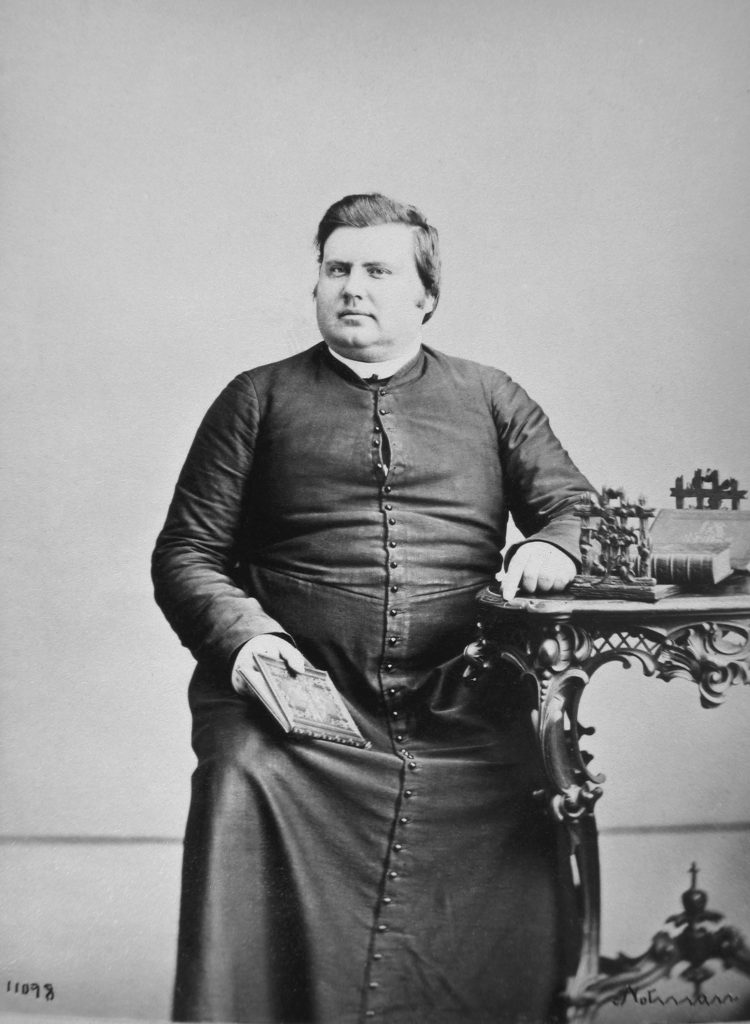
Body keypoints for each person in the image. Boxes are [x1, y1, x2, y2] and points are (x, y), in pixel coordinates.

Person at [152, 193, 591, 1024]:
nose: (352, 287)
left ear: (425, 294)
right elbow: (187, 553)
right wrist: (250, 646)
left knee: (524, 774)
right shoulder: (256, 398)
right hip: (296, 700)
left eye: (377, 271)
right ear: (317, 285)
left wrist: (552, 546)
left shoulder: (492, 395)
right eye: (337, 270)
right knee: (243, 773)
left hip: (458, 696)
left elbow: (576, 509)